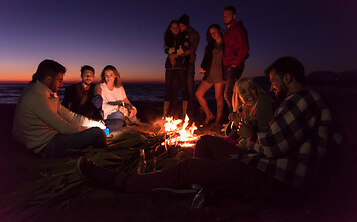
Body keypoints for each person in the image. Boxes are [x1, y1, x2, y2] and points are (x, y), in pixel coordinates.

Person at [76, 57, 343, 206]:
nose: (271, 87)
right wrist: (247, 137)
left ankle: (117, 181)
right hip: (262, 163)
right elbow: (268, 140)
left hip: (274, 180)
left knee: (190, 167)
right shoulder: (295, 103)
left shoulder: (303, 100)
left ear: (288, 78)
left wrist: (249, 138)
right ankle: (200, 190)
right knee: (205, 142)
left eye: (274, 81)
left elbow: (270, 146)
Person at [13, 59, 107, 159]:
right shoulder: (37, 97)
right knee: (97, 133)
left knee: (95, 130)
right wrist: (88, 131)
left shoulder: (47, 94)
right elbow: (63, 126)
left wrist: (94, 123)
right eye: (59, 81)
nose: (61, 85)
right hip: (47, 146)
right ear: (48, 79)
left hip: (55, 136)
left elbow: (70, 116)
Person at [225, 78, 275, 147]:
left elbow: (267, 139)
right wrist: (234, 121)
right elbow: (231, 134)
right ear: (239, 97)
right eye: (243, 92)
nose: (248, 93)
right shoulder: (244, 108)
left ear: (256, 89)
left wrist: (243, 142)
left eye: (251, 88)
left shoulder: (263, 102)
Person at [195, 24, 225, 128]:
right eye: (211, 33)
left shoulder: (226, 44)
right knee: (199, 93)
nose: (213, 35)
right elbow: (206, 59)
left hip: (220, 74)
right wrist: (202, 68)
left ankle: (218, 121)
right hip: (209, 74)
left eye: (215, 32)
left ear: (220, 31)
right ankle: (209, 114)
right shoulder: (210, 46)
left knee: (218, 98)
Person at [92, 65, 138, 132]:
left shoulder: (120, 88)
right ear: (103, 76)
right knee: (120, 115)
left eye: (111, 75)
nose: (108, 77)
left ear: (115, 75)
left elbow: (126, 101)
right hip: (106, 114)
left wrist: (133, 108)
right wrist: (118, 108)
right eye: (106, 75)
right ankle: (129, 122)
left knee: (124, 115)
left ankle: (132, 123)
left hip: (119, 115)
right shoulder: (100, 87)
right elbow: (98, 105)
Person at [223, 6, 250, 114]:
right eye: (224, 15)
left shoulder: (238, 29)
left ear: (234, 16)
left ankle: (234, 118)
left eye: (228, 15)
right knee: (233, 94)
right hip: (228, 65)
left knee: (227, 94)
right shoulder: (228, 30)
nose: (225, 17)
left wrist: (236, 63)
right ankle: (236, 117)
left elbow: (245, 48)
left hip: (234, 65)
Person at [163, 20, 190, 118]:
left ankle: (184, 115)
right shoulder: (168, 38)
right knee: (168, 89)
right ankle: (165, 115)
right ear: (170, 28)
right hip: (170, 65)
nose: (175, 29)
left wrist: (173, 55)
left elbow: (185, 47)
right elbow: (166, 49)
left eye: (177, 27)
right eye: (173, 28)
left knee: (183, 88)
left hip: (181, 65)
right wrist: (172, 55)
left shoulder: (184, 36)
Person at [178, 14, 200, 120]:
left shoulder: (194, 34)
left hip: (189, 63)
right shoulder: (181, 34)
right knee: (183, 89)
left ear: (186, 25)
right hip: (180, 64)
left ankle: (191, 114)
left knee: (190, 89)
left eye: (182, 26)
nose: (180, 28)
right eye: (179, 26)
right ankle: (184, 114)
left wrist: (178, 54)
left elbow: (192, 50)